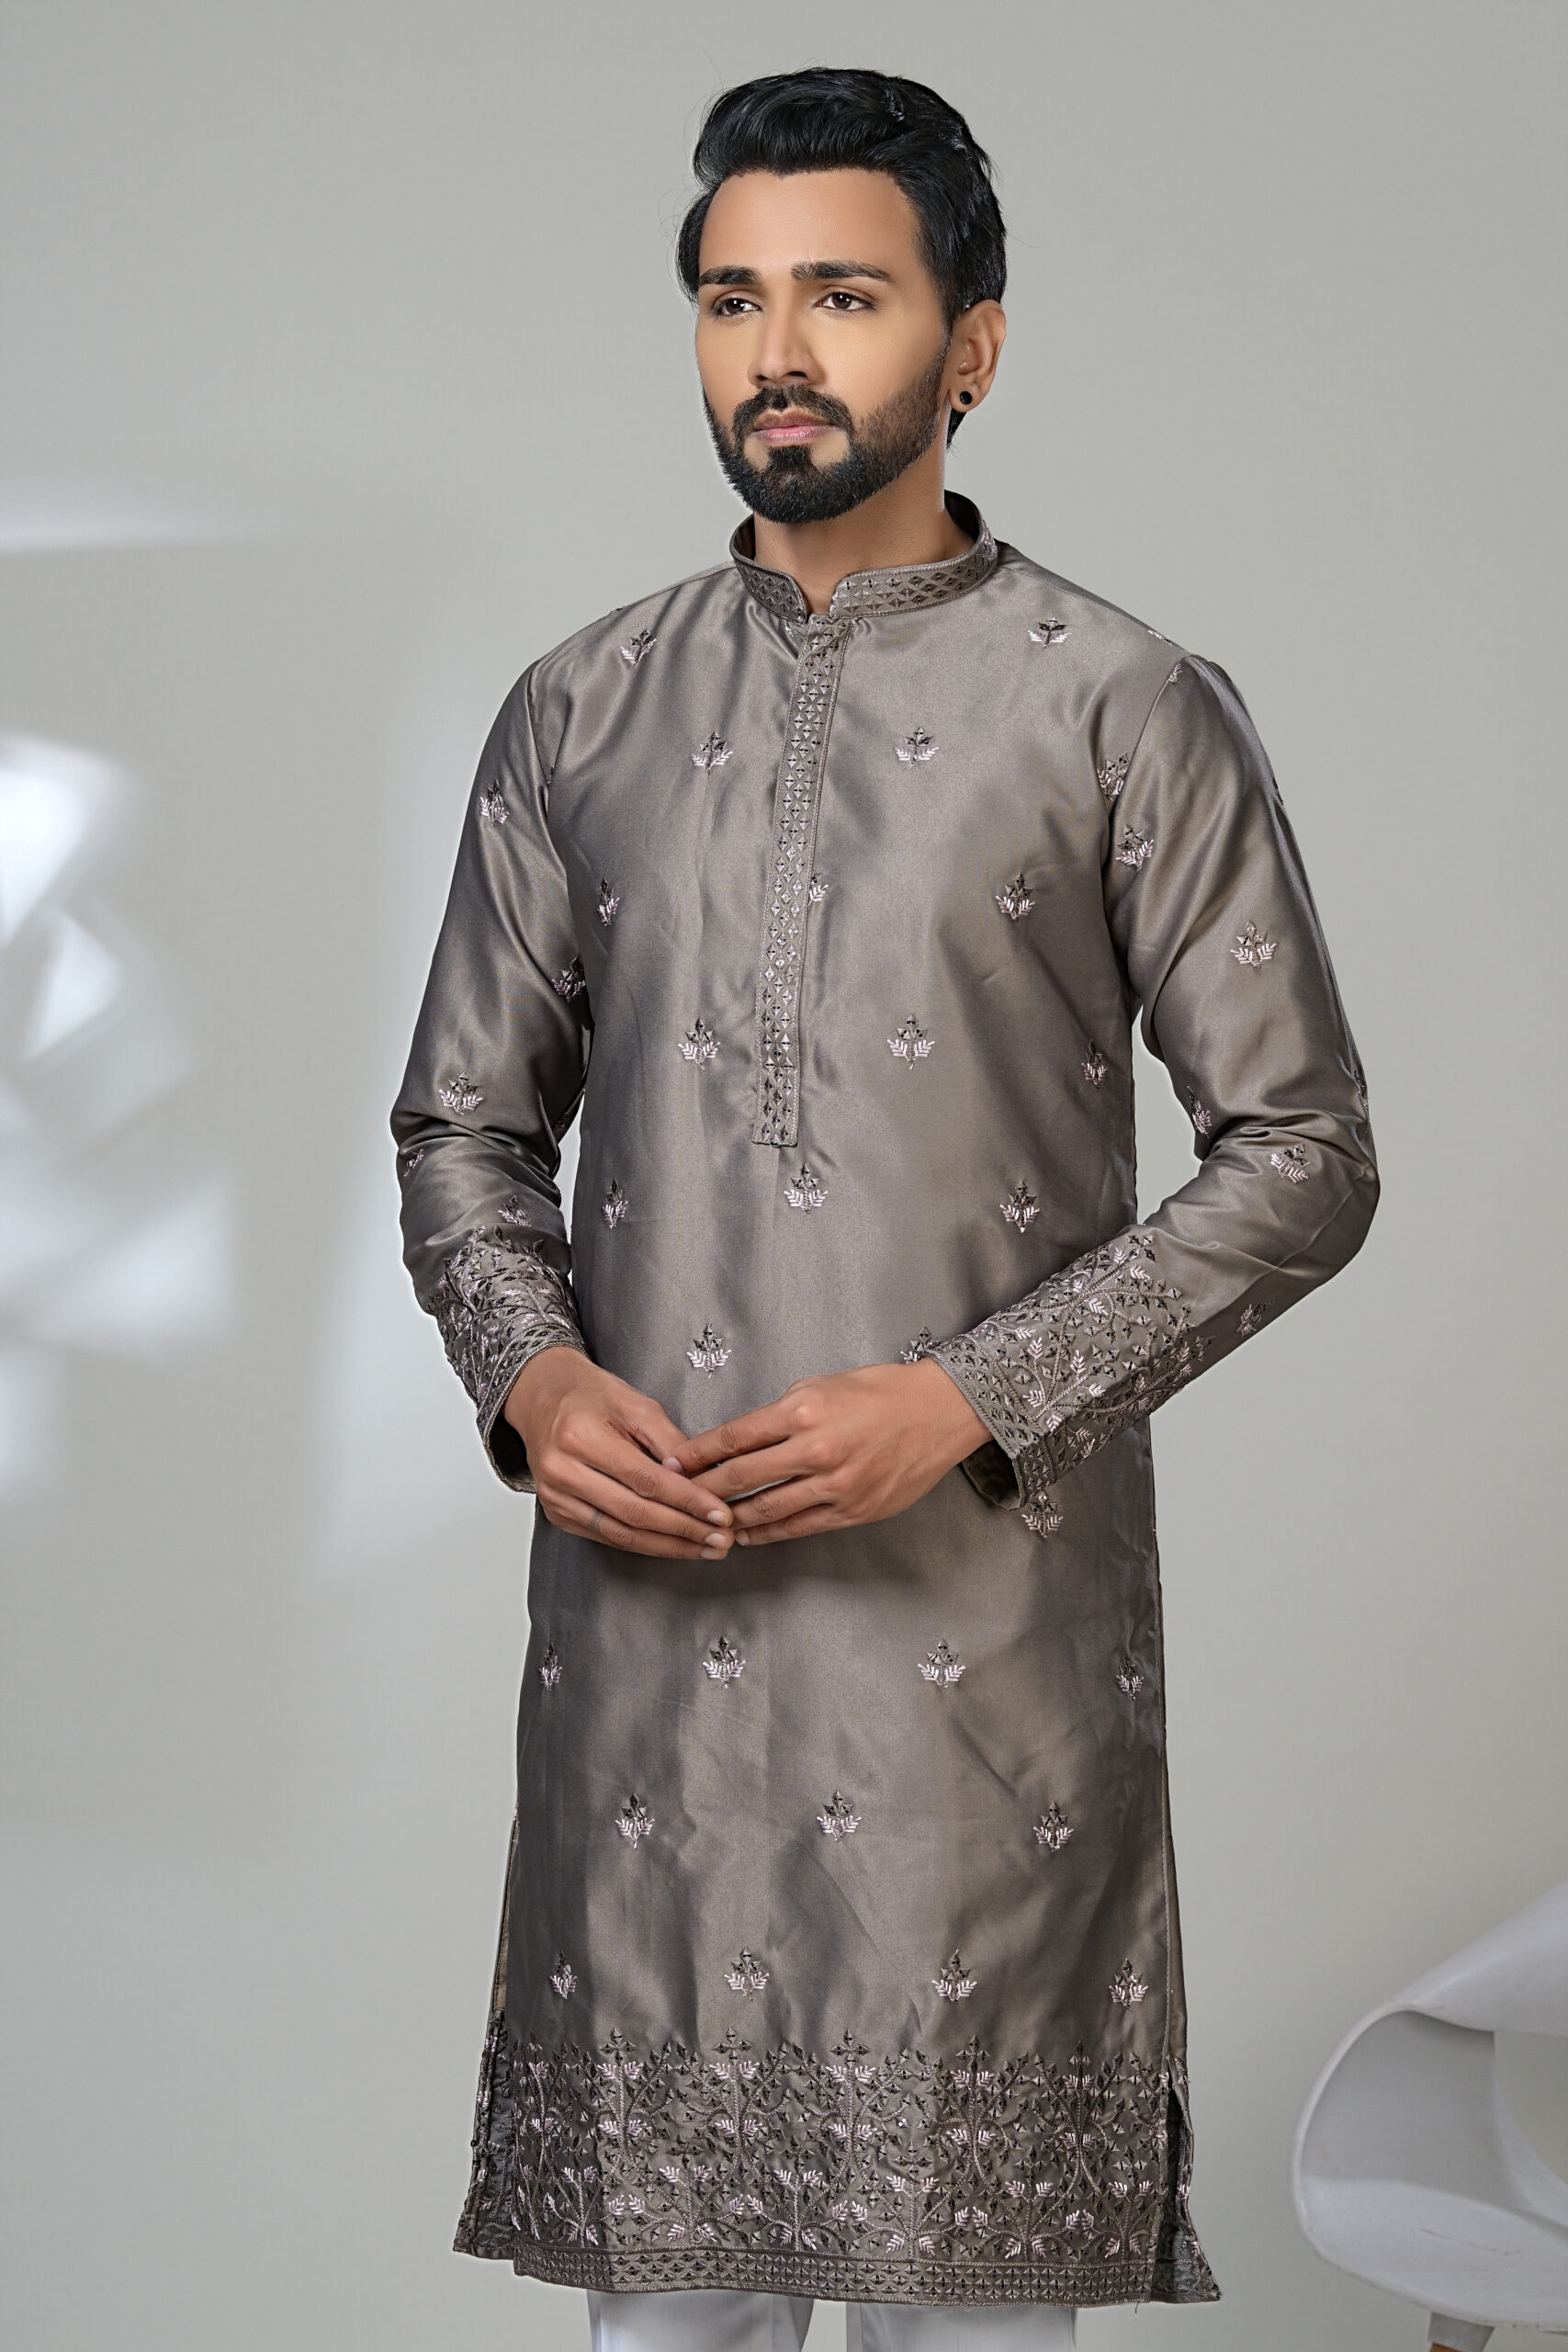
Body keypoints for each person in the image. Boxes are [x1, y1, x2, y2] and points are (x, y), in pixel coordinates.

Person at [391, 66, 1378, 2352]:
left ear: (973, 341)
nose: (774, 352)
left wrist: (968, 1397)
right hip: (653, 1662)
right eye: (731, 298)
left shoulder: (1122, 703)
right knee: (671, 2319)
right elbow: (460, 1126)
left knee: (967, 2317)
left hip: (978, 1669)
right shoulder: (578, 710)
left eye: (840, 296)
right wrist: (535, 1380)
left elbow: (1302, 1148)